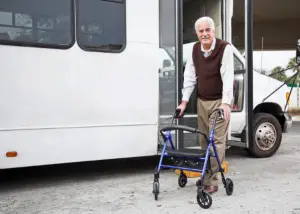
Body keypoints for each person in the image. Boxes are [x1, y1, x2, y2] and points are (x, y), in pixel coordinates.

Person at [177, 16, 234, 194]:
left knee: (216, 142)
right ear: (197, 33)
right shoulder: (195, 50)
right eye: (201, 31)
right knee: (203, 141)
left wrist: (226, 103)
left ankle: (213, 180)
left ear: (213, 31)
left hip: (219, 101)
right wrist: (184, 101)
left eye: (207, 30)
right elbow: (189, 77)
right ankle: (205, 173)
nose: (204, 34)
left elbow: (228, 77)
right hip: (202, 101)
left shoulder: (225, 48)